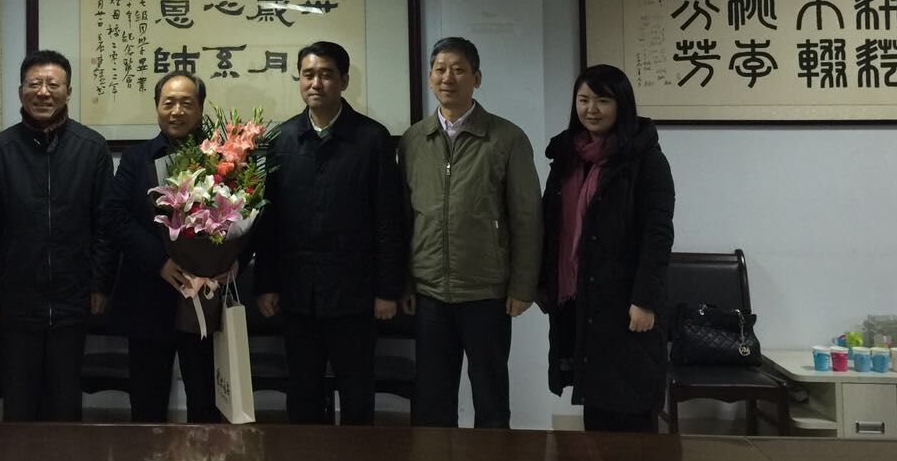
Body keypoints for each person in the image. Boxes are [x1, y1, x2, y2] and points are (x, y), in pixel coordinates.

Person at [255, 41, 403, 425]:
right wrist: (266, 284)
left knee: (357, 392)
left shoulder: (372, 139)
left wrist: (387, 290)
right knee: (302, 392)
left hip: (354, 292)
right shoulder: (282, 139)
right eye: (308, 75)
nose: (316, 83)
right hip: (298, 292)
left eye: (326, 75)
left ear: (344, 81)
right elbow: (268, 222)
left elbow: (389, 219)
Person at [399, 36, 542, 428]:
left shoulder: (507, 138)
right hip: (429, 292)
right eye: (440, 69)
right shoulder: (414, 140)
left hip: (486, 292)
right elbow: (405, 218)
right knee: (432, 397)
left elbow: (527, 216)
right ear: (430, 78)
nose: (449, 78)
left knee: (490, 395)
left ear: (476, 78)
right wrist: (405, 281)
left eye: (459, 69)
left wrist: (523, 286)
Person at [0, 49, 114, 422]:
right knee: (19, 403)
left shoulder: (92, 147)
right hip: (16, 300)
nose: (43, 92)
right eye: (34, 84)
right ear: (20, 91)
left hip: (73, 297)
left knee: (64, 402)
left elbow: (105, 224)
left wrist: (100, 283)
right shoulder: (0, 150)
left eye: (53, 84)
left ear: (69, 92)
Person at [539, 64, 675, 433]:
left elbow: (658, 234)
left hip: (628, 301)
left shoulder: (646, 160)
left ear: (622, 105)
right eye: (583, 100)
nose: (591, 109)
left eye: (603, 100)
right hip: (583, 299)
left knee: (631, 404)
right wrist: (543, 283)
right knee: (596, 399)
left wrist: (645, 299)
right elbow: (551, 225)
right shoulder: (567, 157)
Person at [102, 70, 225, 423]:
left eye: (187, 103)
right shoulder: (136, 158)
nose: (177, 111)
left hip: (203, 297)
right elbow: (115, 216)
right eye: (168, 102)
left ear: (201, 108)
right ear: (157, 106)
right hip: (148, 294)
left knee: (205, 400)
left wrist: (226, 263)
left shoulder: (220, 160)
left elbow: (240, 219)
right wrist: (160, 262)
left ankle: (203, 460)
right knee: (147, 400)